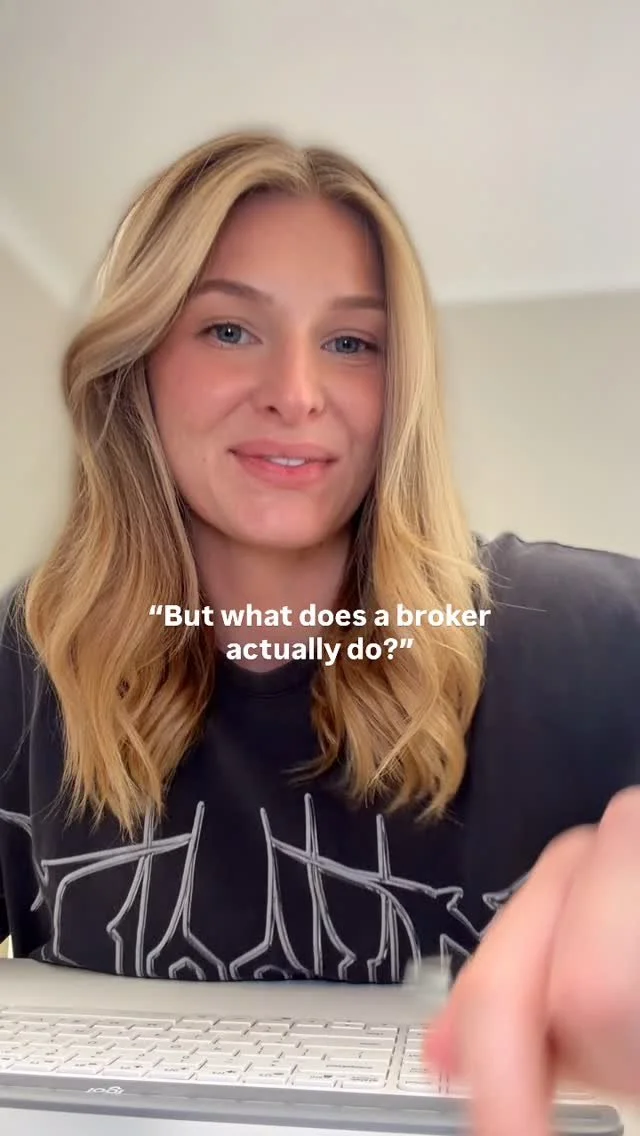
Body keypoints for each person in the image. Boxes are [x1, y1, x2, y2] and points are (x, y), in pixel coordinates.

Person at [0, 131, 638, 1132]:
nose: (296, 392)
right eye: (228, 329)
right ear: (135, 364)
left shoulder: (579, 633)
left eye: (352, 343)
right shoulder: (29, 650)